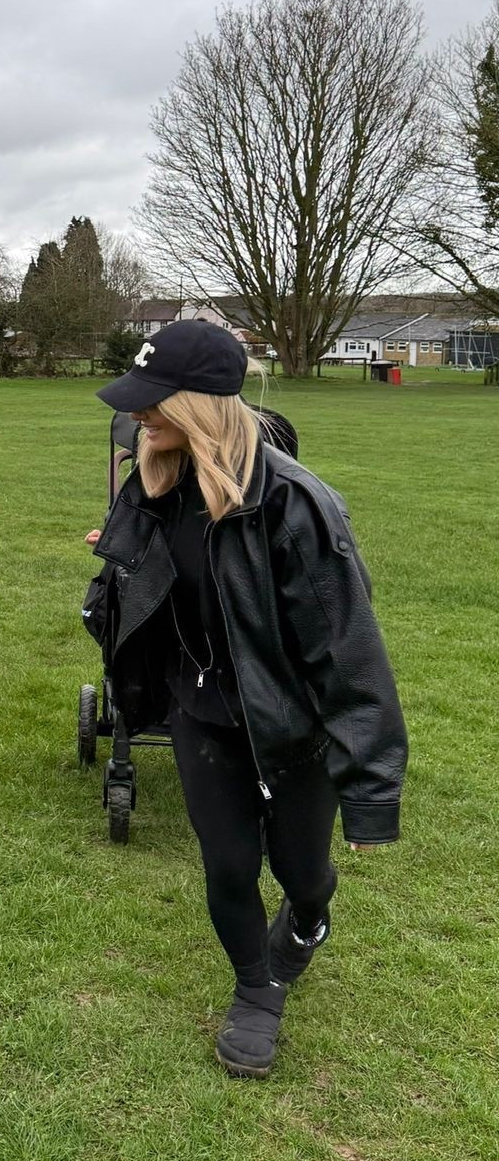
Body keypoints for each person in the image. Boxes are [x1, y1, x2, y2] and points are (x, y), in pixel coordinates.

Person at [86, 320, 407, 1079]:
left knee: (302, 872)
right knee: (229, 866)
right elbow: (143, 587)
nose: (137, 417)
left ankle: (308, 917)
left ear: (201, 406)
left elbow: (351, 653)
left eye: (153, 404)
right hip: (200, 712)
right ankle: (255, 993)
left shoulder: (299, 507)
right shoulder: (154, 481)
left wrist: (371, 793)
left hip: (292, 726)